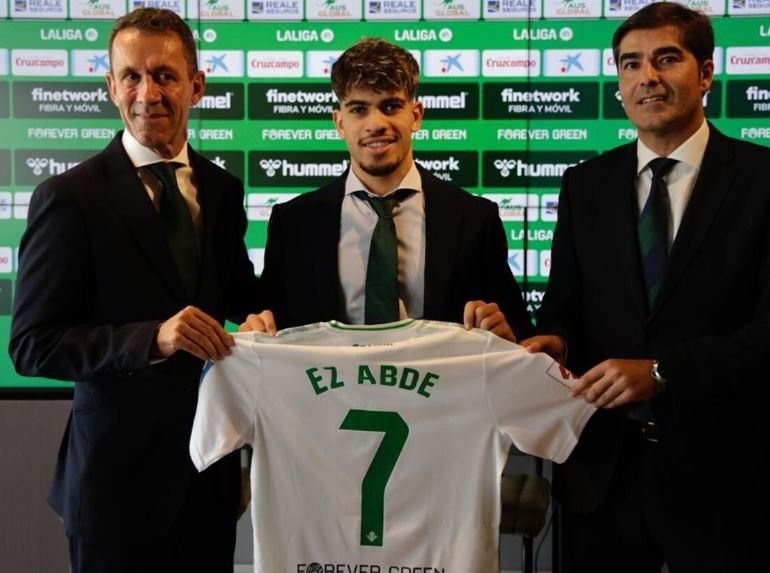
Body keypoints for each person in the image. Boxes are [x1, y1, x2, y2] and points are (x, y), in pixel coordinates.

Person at [523, 3, 770, 572]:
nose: (647, 78)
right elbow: (563, 310)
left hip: (730, 479)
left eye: (667, 59)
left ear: (706, 73)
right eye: (631, 64)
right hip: (603, 476)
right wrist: (554, 346)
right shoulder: (584, 185)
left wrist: (663, 370)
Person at [8, 8, 256, 573]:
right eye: (131, 76)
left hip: (208, 478)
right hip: (112, 489)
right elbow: (31, 345)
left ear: (197, 84)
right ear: (110, 86)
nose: (149, 93)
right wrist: (153, 339)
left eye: (165, 75)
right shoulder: (68, 198)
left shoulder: (221, 190)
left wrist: (261, 314)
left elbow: (238, 292)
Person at [243, 37, 532, 341]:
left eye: (391, 106)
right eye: (358, 109)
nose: (376, 123)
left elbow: (518, 335)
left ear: (416, 115)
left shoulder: (475, 219)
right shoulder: (293, 223)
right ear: (339, 123)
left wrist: (505, 332)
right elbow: (273, 331)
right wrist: (257, 330)